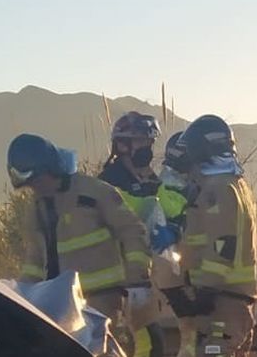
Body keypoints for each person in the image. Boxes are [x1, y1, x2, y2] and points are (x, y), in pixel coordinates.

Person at [8, 132, 152, 346]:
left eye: (36, 181)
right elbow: (35, 260)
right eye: (29, 185)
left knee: (102, 348)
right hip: (59, 303)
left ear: (50, 168)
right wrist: (21, 296)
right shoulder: (37, 208)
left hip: (103, 297)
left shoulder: (94, 192)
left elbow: (132, 231)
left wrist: (138, 280)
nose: (34, 188)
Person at [161, 116, 257, 357]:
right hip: (231, 298)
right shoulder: (236, 184)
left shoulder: (218, 188)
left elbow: (223, 242)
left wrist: (203, 293)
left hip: (221, 301)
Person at [99, 112, 188, 357]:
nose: (147, 148)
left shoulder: (149, 176)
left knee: (153, 342)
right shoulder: (109, 182)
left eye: (149, 143)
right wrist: (151, 204)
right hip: (122, 280)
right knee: (148, 344)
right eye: (141, 142)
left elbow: (171, 205)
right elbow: (129, 212)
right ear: (122, 145)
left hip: (148, 278)